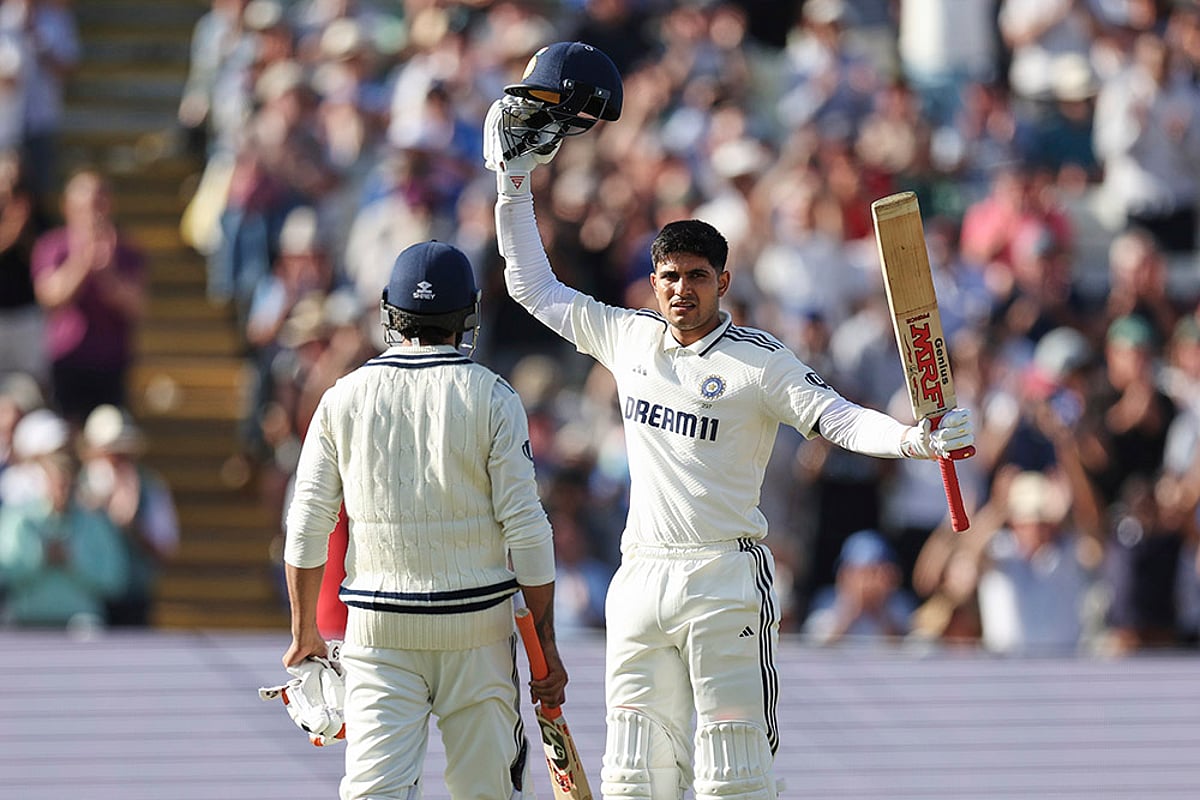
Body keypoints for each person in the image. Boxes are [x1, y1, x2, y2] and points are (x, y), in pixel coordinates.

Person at [484, 45, 975, 798]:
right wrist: (512, 182)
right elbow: (531, 286)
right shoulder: (628, 337)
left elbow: (838, 421)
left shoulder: (759, 362)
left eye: (697, 277)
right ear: (653, 283)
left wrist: (914, 438)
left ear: (723, 282)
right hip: (640, 574)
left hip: (724, 576)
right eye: (669, 277)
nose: (681, 290)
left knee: (732, 776)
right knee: (632, 777)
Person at [281, 240, 564, 799]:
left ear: (390, 311)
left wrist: (303, 632)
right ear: (469, 314)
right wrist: (545, 645)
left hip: (378, 632)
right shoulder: (493, 396)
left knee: (375, 793)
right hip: (477, 630)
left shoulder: (342, 397)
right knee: (489, 792)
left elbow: (307, 523)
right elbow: (528, 530)